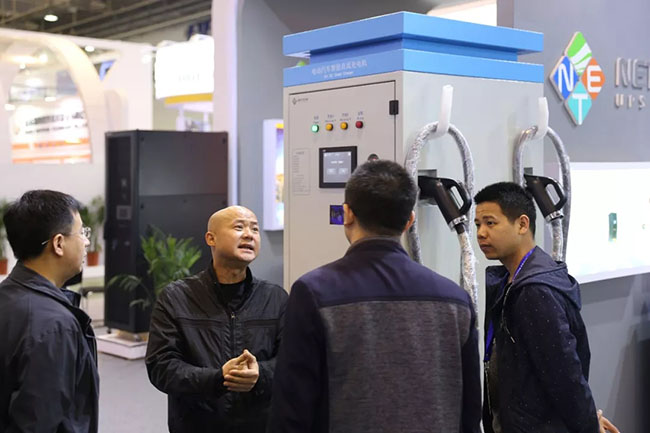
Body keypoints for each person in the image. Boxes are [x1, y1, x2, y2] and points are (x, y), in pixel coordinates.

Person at [269, 160, 481, 433]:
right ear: (409, 221)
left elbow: (291, 410)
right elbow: (470, 413)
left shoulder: (313, 293)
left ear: (347, 214)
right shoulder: (456, 301)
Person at [474, 182, 620, 433]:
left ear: (522, 224)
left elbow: (565, 375)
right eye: (478, 224)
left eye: (490, 223)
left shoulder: (535, 291)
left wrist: (588, 425)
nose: (481, 233)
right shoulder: (510, 281)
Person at [146, 205, 288, 433]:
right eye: (239, 227)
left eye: (255, 229)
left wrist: (260, 374)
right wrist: (217, 378)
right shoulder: (176, 297)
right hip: (196, 425)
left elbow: (291, 360)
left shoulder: (275, 298)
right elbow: (161, 367)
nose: (249, 235)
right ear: (211, 238)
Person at [0, 190, 98, 432]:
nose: (86, 242)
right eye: (82, 233)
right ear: (58, 243)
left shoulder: (8, 296)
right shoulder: (54, 326)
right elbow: (39, 422)